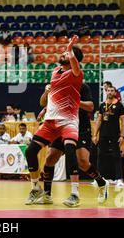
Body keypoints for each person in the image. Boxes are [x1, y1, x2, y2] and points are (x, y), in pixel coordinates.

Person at [25, 35, 84, 207]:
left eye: (67, 54)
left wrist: (71, 48)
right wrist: (45, 108)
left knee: (70, 151)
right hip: (50, 121)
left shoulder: (76, 74)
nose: (64, 54)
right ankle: (36, 188)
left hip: (68, 121)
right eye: (66, 53)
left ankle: (74, 193)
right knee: (30, 151)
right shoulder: (55, 72)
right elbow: (53, 96)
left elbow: (74, 63)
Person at [33, 83, 109, 205]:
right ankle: (47, 195)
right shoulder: (58, 84)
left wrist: (74, 100)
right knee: (50, 158)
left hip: (81, 128)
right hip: (62, 126)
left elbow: (90, 107)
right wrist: (45, 106)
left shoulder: (82, 87)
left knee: (82, 161)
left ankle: (101, 183)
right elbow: (44, 102)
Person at [93, 86, 124, 187]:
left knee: (116, 156)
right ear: (106, 92)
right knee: (100, 156)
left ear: (115, 93)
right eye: (108, 91)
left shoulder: (119, 105)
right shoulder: (102, 105)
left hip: (115, 134)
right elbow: (99, 120)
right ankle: (99, 179)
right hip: (103, 134)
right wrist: (95, 134)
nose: (110, 92)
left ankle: (119, 179)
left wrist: (122, 136)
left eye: (112, 91)